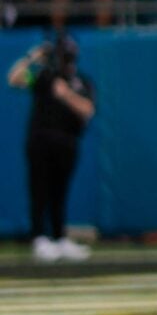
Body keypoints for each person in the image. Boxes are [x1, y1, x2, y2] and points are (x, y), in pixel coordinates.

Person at [12, 31, 95, 261]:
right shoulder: (44, 78)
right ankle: (39, 237)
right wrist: (32, 57)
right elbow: (15, 78)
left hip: (67, 141)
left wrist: (65, 94)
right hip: (40, 140)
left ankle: (59, 237)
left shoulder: (81, 81)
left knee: (60, 192)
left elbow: (88, 110)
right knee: (39, 190)